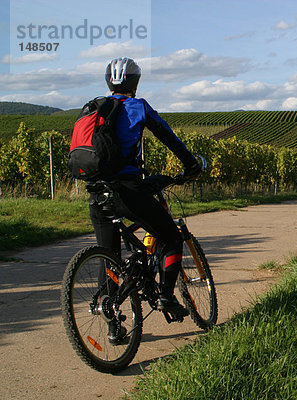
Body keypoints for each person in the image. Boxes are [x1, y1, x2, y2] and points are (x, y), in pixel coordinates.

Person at [90, 57, 201, 330]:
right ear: (135, 82)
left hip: (96, 192)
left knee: (108, 255)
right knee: (171, 236)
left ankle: (113, 323)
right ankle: (165, 295)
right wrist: (191, 165)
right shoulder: (137, 106)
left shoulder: (95, 109)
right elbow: (168, 136)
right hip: (127, 191)